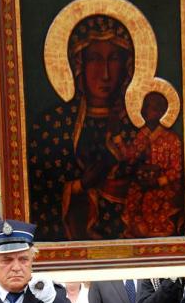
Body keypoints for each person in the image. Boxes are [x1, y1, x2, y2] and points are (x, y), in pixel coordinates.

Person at [29, 14, 140, 241]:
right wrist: (79, 186)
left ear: (127, 65)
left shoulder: (137, 125)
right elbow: (40, 194)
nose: (105, 73)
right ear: (78, 64)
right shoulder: (52, 124)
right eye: (95, 59)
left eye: (114, 59)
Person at [115, 91, 184, 238]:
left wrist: (158, 181)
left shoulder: (172, 139)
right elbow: (129, 157)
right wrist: (118, 139)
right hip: (142, 184)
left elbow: (176, 169)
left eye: (150, 107)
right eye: (144, 106)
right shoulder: (142, 135)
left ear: (160, 112)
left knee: (153, 200)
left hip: (163, 187)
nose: (145, 111)